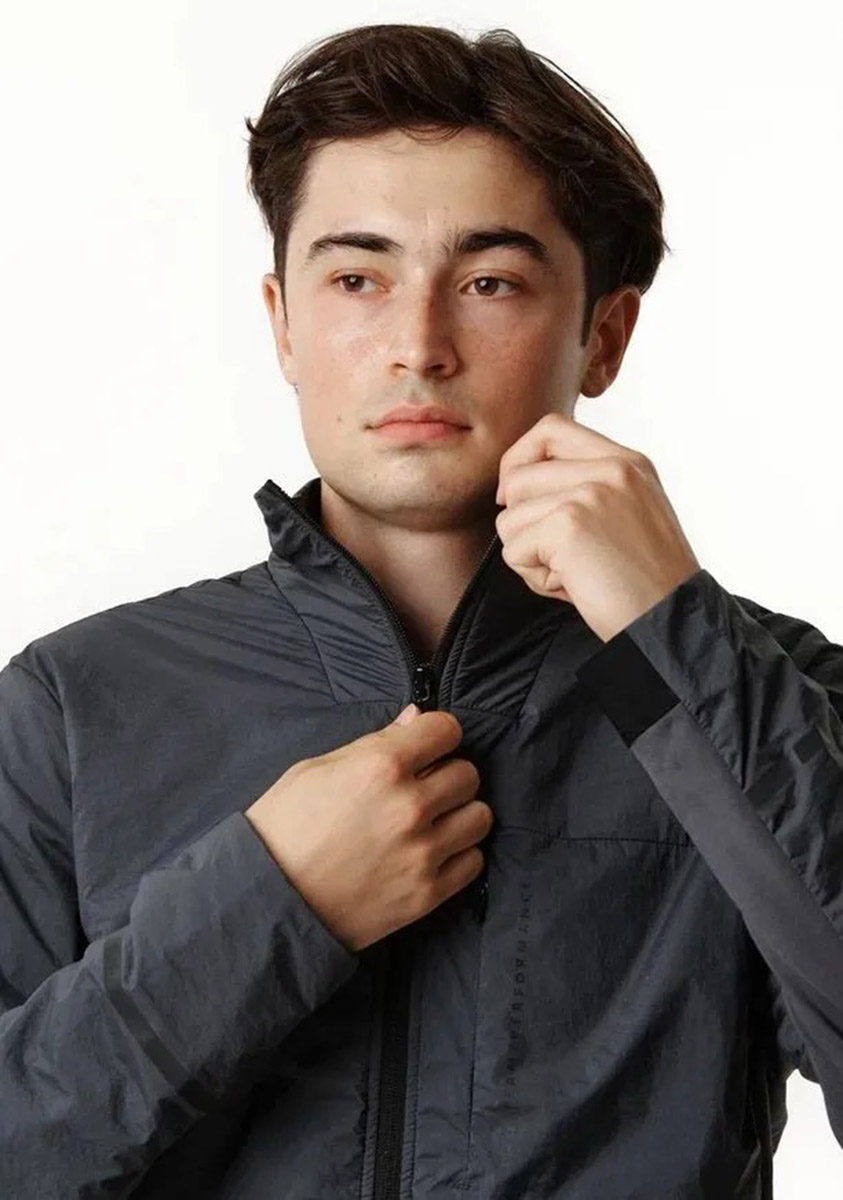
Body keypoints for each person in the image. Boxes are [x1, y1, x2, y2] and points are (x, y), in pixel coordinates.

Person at [1, 21, 841, 1199]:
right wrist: (270, 905)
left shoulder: (774, 693)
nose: (418, 346)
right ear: (284, 323)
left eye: (490, 283)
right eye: (358, 279)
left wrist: (676, 640)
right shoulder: (71, 707)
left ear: (603, 335)